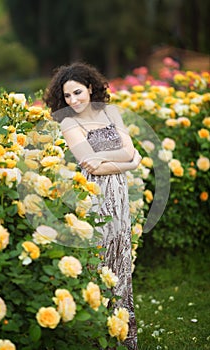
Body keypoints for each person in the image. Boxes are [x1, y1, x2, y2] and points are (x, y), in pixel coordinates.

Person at [44, 62, 141, 350]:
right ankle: (96, 339)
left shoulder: (110, 112)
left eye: (77, 92)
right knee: (100, 258)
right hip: (95, 196)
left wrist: (119, 158)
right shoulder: (68, 123)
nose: (73, 100)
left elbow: (129, 149)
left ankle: (122, 337)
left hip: (119, 195)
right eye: (67, 96)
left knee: (120, 258)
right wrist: (129, 162)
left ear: (90, 88)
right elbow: (92, 166)